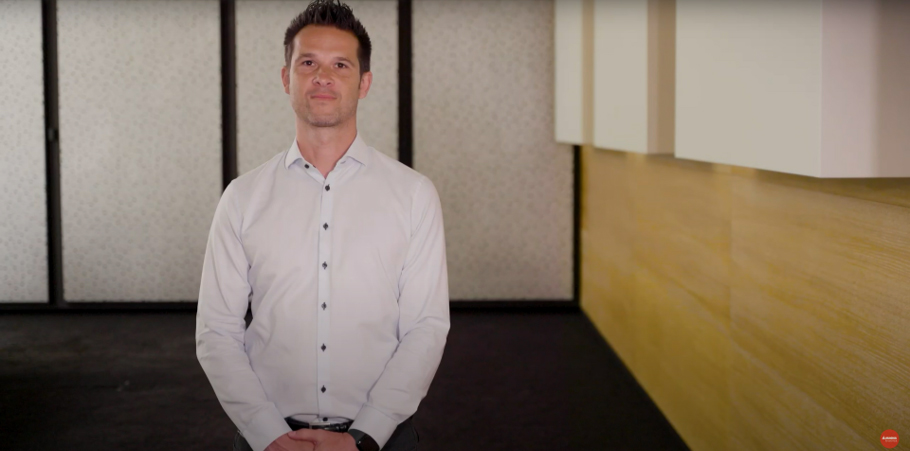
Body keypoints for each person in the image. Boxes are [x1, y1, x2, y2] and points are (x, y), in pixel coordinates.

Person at [195, 1, 450, 450]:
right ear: (285, 77)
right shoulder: (242, 197)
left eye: (340, 64)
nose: (322, 77)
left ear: (364, 82)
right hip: (268, 439)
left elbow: (425, 328)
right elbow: (217, 331)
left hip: (381, 439)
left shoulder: (413, 194)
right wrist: (268, 434)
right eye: (308, 62)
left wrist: (365, 436)